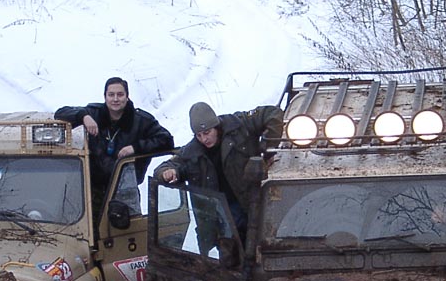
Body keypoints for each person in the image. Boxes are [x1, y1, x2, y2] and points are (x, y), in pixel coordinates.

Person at [155, 101, 282, 253]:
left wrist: (268, 148)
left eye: (207, 132)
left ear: (216, 126)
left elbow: (272, 113)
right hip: (222, 220)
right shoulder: (192, 153)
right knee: (231, 258)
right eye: (199, 135)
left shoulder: (239, 126)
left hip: (254, 204)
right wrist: (168, 172)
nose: (204, 139)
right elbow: (164, 168)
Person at [55, 77, 174, 211]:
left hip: (126, 191)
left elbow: (166, 140)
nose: (115, 99)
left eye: (120, 94)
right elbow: (60, 113)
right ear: (105, 97)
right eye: (111, 95)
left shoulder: (142, 121)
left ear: (127, 97)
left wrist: (135, 148)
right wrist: (83, 116)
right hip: (92, 189)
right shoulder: (94, 113)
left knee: (129, 224)